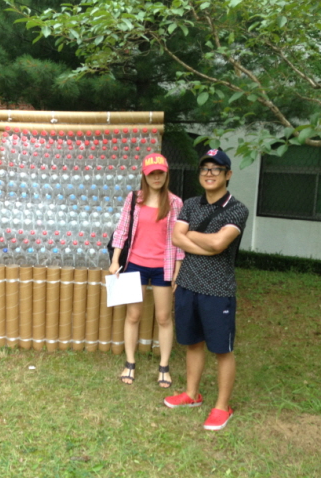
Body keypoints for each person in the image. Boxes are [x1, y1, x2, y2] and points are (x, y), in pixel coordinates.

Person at [164, 149, 249, 431]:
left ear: (228, 174)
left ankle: (222, 407)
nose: (209, 174)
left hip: (218, 290)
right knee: (193, 342)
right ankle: (192, 394)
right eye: (205, 169)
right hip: (187, 284)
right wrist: (205, 243)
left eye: (216, 169)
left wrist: (192, 236)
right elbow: (177, 238)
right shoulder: (190, 204)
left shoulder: (237, 209)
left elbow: (219, 244)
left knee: (222, 349)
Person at [109, 153, 184, 387]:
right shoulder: (134, 199)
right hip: (135, 264)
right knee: (133, 316)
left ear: (166, 174)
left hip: (163, 267)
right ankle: (130, 363)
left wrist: (177, 270)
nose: (156, 177)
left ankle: (164, 366)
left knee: (163, 317)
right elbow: (122, 230)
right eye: (152, 173)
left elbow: (179, 240)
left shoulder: (175, 203)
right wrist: (115, 260)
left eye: (160, 173)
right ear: (145, 175)